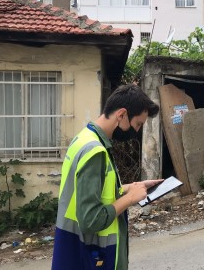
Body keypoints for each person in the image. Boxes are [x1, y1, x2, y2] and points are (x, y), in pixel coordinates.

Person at [52, 84, 162, 270]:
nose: (136, 131)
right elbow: (91, 220)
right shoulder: (95, 152)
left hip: (74, 247)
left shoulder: (84, 138)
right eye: (137, 124)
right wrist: (129, 199)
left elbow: (94, 189)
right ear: (121, 115)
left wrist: (132, 186)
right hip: (88, 252)